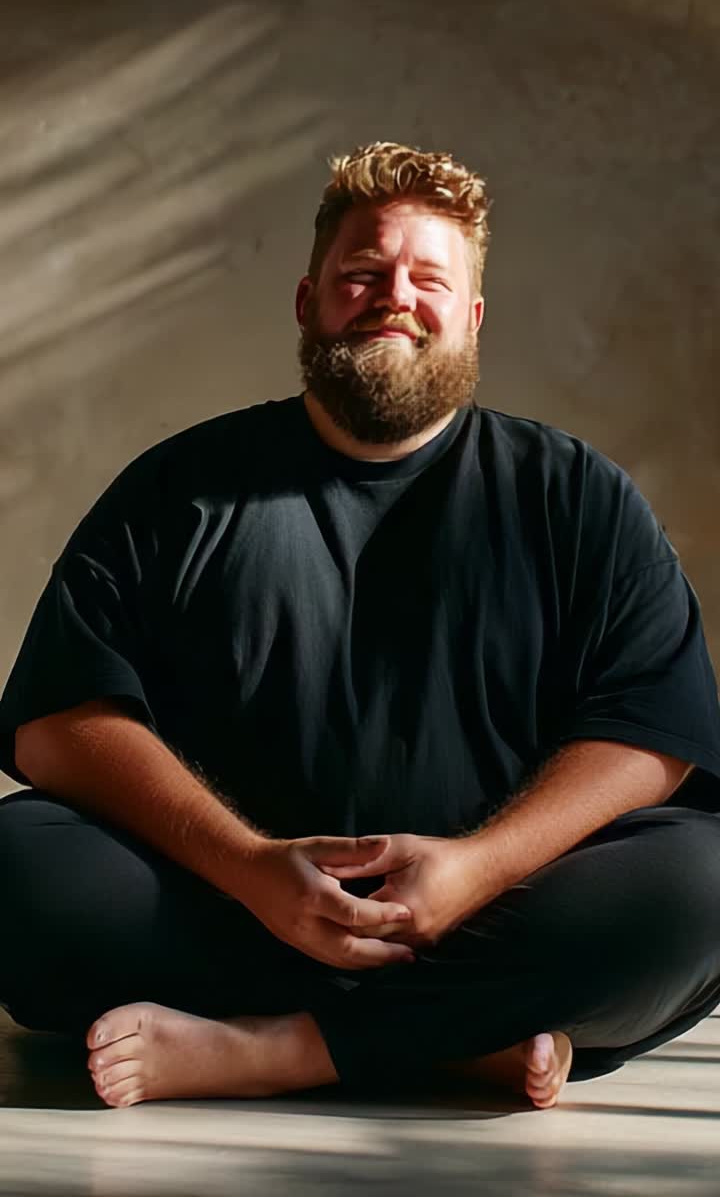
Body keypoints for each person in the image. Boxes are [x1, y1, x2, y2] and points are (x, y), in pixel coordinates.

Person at [1, 141, 720, 1113]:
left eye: (429, 278)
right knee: (21, 868)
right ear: (309, 303)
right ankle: (453, 1036)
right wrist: (253, 868)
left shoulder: (576, 494)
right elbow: (57, 721)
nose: (395, 296)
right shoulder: (178, 488)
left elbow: (654, 732)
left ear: (471, 318)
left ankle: (277, 1047)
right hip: (226, 903)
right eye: (363, 274)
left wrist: (476, 867)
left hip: (495, 910)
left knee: (702, 878)